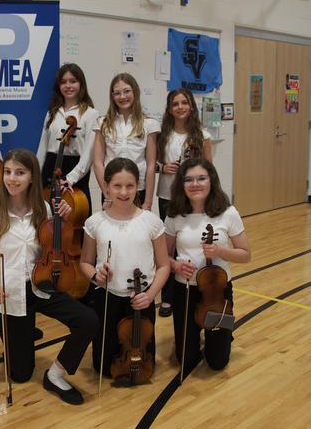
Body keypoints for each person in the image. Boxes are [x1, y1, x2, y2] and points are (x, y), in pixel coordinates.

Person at [0, 149, 98, 405]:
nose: (12, 178)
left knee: (88, 320)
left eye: (20, 172)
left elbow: (54, 247)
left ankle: (55, 375)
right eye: (7, 172)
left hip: (41, 286)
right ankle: (23, 335)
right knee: (19, 374)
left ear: (32, 177)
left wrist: (63, 221)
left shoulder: (44, 210)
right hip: (9, 294)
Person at [79, 157, 170, 379]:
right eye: (117, 186)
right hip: (108, 298)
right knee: (104, 369)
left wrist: (150, 295)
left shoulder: (151, 221)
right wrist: (96, 277)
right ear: (106, 187)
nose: (123, 192)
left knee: (142, 366)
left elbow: (164, 265)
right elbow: (84, 263)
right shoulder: (95, 222)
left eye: (129, 185)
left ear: (137, 185)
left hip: (141, 299)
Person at [164, 158, 251, 378]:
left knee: (217, 362)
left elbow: (245, 255)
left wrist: (221, 252)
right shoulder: (174, 214)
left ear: (211, 180)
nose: (195, 184)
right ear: (181, 184)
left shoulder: (228, 212)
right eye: (189, 179)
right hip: (185, 291)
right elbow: (163, 257)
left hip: (217, 292)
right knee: (187, 360)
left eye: (201, 178)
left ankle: (222, 334)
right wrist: (175, 265)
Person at [155, 88, 213, 318]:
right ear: (170, 109)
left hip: (193, 196)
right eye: (175, 104)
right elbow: (153, 162)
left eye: (184, 103)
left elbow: (209, 169)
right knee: (168, 248)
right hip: (168, 194)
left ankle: (193, 288)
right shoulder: (163, 134)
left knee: (188, 244)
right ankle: (168, 297)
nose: (180, 107)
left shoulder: (203, 135)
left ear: (191, 106)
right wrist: (163, 167)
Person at [93, 73, 160, 211]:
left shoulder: (150, 124)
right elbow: (98, 163)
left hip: (138, 189)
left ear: (135, 91)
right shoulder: (102, 123)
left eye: (127, 91)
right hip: (111, 191)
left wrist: (148, 202)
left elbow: (151, 165)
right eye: (117, 93)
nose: (122, 97)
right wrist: (107, 194)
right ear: (112, 96)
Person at [36, 63, 98, 206]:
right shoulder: (52, 112)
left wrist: (70, 179)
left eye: (73, 81)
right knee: (46, 217)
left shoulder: (91, 114)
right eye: (63, 82)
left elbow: (88, 155)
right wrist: (37, 175)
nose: (68, 86)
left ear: (81, 84)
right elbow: (42, 148)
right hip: (50, 168)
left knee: (75, 216)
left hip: (75, 170)